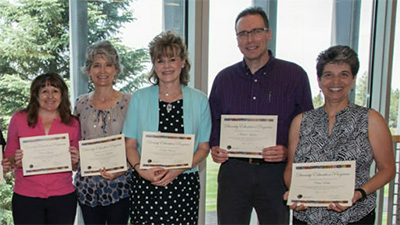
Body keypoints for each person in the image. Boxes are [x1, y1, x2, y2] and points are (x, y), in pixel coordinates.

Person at [209, 6, 313, 224]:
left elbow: (306, 127)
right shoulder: (224, 79)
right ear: (237, 40)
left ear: (268, 34)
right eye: (243, 34)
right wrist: (215, 147)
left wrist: (287, 151)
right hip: (234, 172)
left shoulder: (294, 76)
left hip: (276, 173)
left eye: (256, 31)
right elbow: (214, 122)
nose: (250, 39)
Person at [284, 45, 396, 224]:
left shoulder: (371, 119)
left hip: (355, 216)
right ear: (319, 81)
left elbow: (388, 169)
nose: (336, 81)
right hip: (307, 218)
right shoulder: (301, 121)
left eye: (344, 74)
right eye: (328, 75)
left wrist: (360, 193)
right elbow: (291, 168)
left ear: (353, 81)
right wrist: (296, 193)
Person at [123, 31, 211, 224]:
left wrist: (179, 169)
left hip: (184, 184)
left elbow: (204, 148)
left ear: (182, 62)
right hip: (146, 183)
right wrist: (141, 170)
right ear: (154, 65)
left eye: (172, 59)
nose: (167, 66)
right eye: (160, 60)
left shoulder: (200, 100)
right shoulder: (139, 98)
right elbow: (130, 144)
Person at [4, 72, 80, 225]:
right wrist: (16, 160)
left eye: (55, 91)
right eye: (44, 91)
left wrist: (75, 160)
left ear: (62, 95)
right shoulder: (19, 119)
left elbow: (75, 166)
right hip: (26, 196)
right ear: (36, 95)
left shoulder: (72, 123)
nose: (50, 96)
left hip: (62, 197)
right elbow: (8, 159)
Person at [74, 40, 131, 225]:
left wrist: (122, 169)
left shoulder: (129, 102)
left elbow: (136, 143)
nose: (102, 71)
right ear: (89, 71)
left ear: (116, 70)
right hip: (88, 186)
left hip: (120, 184)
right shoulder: (80, 103)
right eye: (96, 65)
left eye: (108, 65)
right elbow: (75, 140)